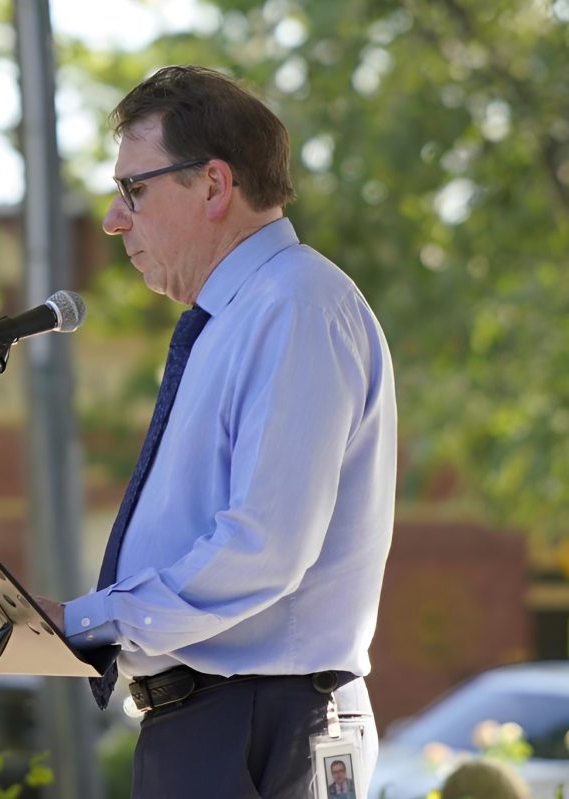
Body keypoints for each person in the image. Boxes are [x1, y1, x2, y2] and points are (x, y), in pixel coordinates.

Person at [35, 65, 396, 798]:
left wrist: (84, 620)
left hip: (264, 724)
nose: (112, 218)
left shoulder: (295, 304)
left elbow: (264, 547)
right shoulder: (242, 314)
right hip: (229, 723)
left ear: (213, 186)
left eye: (134, 188)